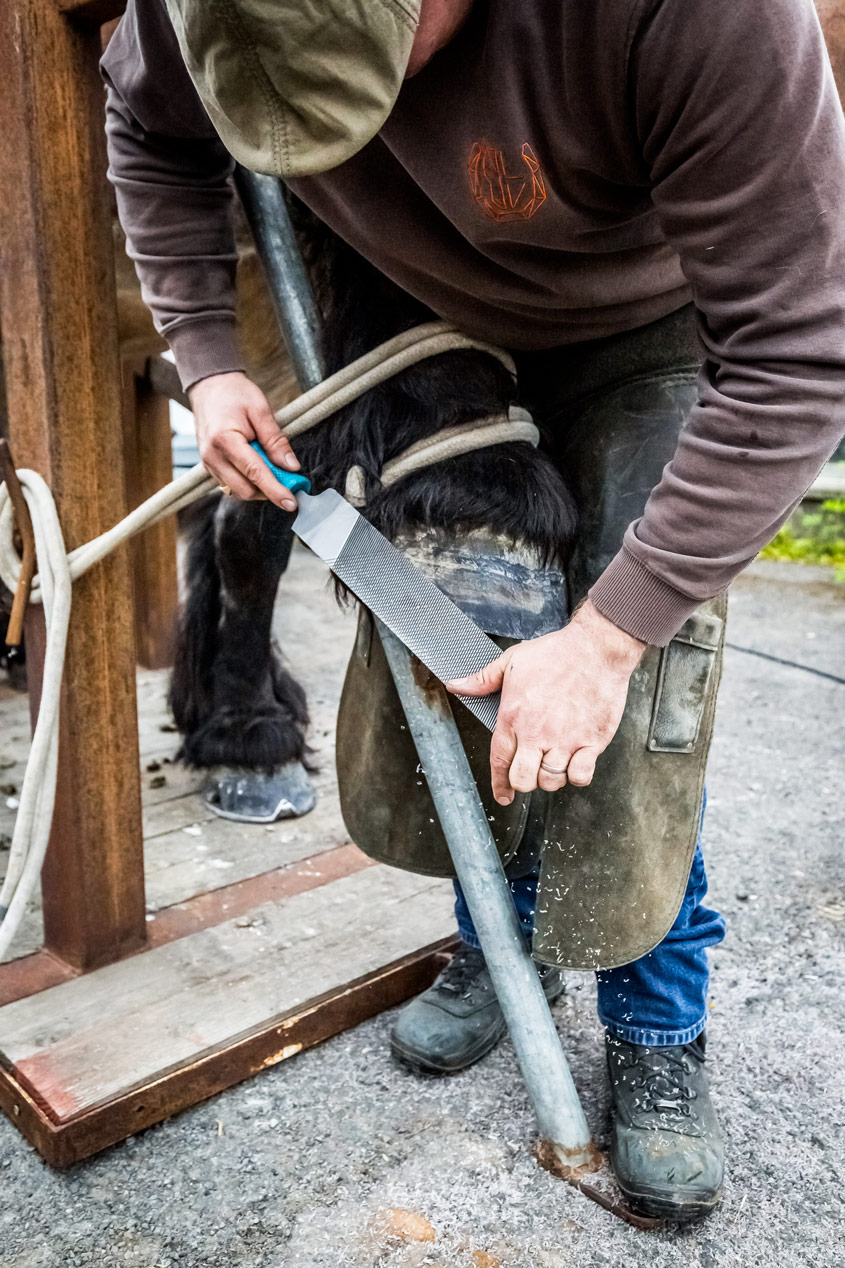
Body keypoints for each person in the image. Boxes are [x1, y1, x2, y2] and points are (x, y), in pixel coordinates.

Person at [101, 0, 845, 1223]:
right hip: (415, 306)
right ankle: (502, 946)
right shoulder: (197, 11)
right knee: (461, 641)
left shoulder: (698, 19)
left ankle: (657, 1022)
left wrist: (611, 634)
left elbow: (798, 357)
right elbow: (144, 116)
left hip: (646, 317)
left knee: (630, 699)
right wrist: (204, 350)